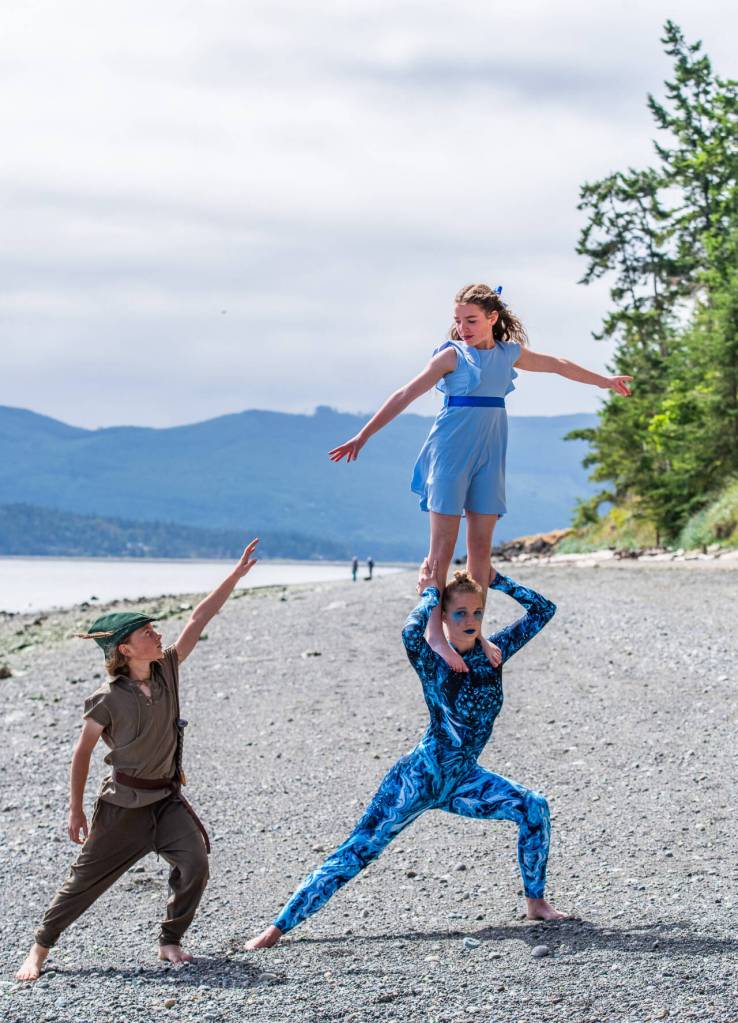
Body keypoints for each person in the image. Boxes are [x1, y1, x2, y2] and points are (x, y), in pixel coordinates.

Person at [246, 556, 565, 950]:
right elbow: (411, 632)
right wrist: (430, 593)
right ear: (444, 618)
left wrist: (499, 580)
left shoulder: (495, 652)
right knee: (359, 849)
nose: (471, 619)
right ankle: (278, 928)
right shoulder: (435, 663)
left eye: (478, 612)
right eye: (460, 612)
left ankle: (536, 903)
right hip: (419, 777)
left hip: (464, 779)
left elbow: (543, 610)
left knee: (533, 808)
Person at [329, 282, 632, 672]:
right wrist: (363, 435)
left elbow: (559, 365)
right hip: (451, 452)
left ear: (492, 318)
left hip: (491, 453)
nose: (463, 327)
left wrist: (605, 382)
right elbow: (406, 394)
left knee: (481, 552)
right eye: (457, 320)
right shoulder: (451, 356)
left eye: (471, 320)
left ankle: (474, 632)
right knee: (440, 551)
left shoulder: (509, 354)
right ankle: (436, 635)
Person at [15, 540, 259, 982]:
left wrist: (235, 576)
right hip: (123, 807)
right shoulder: (107, 700)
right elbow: (82, 752)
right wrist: (74, 810)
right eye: (146, 632)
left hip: (166, 800)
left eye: (153, 629)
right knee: (82, 883)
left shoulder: (166, 668)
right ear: (124, 650)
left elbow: (199, 618)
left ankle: (170, 939)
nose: (156, 634)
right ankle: (39, 949)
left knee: (195, 862)